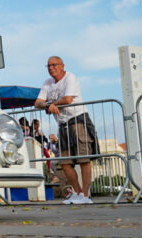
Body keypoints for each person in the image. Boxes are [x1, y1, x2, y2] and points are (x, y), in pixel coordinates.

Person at [35, 56, 99, 205]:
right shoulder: (47, 83)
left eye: (54, 65)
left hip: (78, 120)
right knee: (65, 162)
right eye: (48, 66)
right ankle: (77, 193)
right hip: (62, 124)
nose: (51, 68)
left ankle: (85, 194)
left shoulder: (70, 77)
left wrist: (50, 104)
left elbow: (68, 99)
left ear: (62, 65)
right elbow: (37, 102)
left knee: (84, 159)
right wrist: (47, 106)